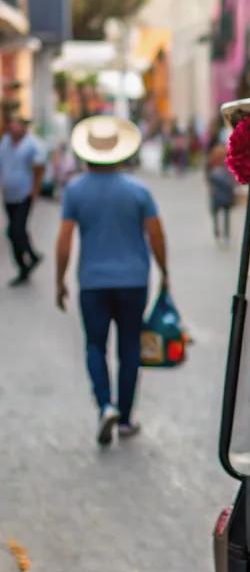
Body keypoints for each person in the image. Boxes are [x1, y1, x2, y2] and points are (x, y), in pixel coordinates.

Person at [55, 115, 169, 447]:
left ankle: (105, 405)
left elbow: (64, 239)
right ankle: (126, 417)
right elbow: (156, 234)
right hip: (134, 281)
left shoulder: (74, 190)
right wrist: (165, 272)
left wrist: (59, 280)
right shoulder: (138, 190)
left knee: (94, 345)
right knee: (130, 346)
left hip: (92, 282)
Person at [0, 113, 45, 285]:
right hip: (9, 195)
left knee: (14, 230)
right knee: (17, 231)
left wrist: (34, 191)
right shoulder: (5, 142)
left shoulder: (32, 144)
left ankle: (26, 263)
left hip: (24, 195)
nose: (13, 127)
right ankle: (30, 259)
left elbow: (39, 168)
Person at [206, 143, 236, 243]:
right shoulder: (224, 166)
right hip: (222, 194)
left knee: (219, 214)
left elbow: (208, 178)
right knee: (223, 215)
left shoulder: (215, 165)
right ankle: (223, 234)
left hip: (218, 194)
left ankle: (219, 233)